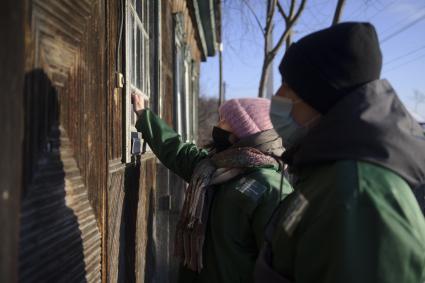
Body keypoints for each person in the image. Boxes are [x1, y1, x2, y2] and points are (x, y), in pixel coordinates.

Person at [255, 22, 425, 283]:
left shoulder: (359, 195)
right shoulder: (330, 173)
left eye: (289, 88)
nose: (277, 97)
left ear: (320, 97)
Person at [132, 95, 293, 283]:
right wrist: (144, 116)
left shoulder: (270, 188)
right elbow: (177, 151)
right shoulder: (213, 167)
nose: (218, 124)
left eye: (225, 120)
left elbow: (281, 262)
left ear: (244, 131)